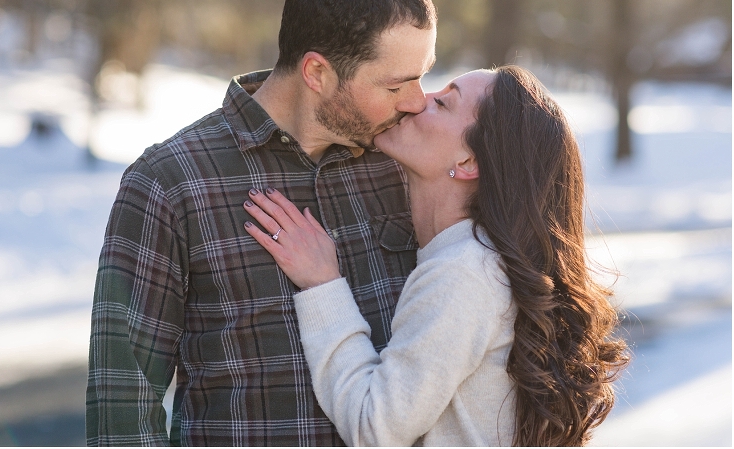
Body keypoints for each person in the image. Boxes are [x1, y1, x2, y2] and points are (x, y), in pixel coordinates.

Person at [86, 0, 437, 446]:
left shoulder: (405, 163)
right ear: (317, 73)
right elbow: (123, 407)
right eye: (398, 83)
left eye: (423, 75)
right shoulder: (170, 183)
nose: (418, 101)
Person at [243, 65, 630, 446]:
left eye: (443, 103)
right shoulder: (476, 263)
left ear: (468, 163)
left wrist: (322, 283)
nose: (415, 101)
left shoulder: (464, 274)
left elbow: (375, 426)